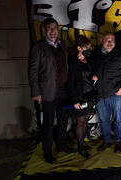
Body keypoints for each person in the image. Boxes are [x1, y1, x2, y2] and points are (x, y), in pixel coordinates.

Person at [28, 17, 76, 163]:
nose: (52, 31)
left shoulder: (63, 44)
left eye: (54, 28)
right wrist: (35, 92)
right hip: (47, 91)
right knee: (48, 123)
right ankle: (47, 152)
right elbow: (32, 71)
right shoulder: (38, 47)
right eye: (49, 29)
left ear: (58, 29)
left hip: (63, 89)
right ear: (45, 30)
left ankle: (61, 145)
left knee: (63, 120)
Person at [92, 32, 121, 153]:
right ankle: (106, 140)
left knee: (118, 120)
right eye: (107, 40)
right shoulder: (95, 55)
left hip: (115, 94)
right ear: (101, 40)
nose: (110, 42)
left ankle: (118, 141)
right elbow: (89, 70)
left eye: (112, 40)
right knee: (103, 120)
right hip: (100, 94)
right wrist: (92, 76)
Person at [68, 35, 97, 157]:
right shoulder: (73, 62)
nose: (89, 49)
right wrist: (75, 100)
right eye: (86, 47)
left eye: (89, 47)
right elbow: (70, 82)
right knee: (80, 122)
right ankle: (80, 147)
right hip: (79, 96)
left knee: (85, 120)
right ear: (79, 48)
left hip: (89, 94)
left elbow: (92, 73)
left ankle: (83, 143)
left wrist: (94, 77)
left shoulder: (89, 59)